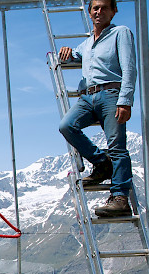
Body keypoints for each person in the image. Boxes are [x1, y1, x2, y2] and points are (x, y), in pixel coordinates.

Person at [57, 0, 137, 217]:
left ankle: (120, 198)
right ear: (90, 12)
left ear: (113, 12)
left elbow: (129, 68)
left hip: (111, 94)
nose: (99, 11)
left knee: (117, 146)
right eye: (95, 8)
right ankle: (102, 163)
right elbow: (75, 54)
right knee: (67, 126)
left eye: (104, 8)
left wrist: (125, 100)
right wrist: (66, 51)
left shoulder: (121, 33)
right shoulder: (87, 43)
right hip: (87, 96)